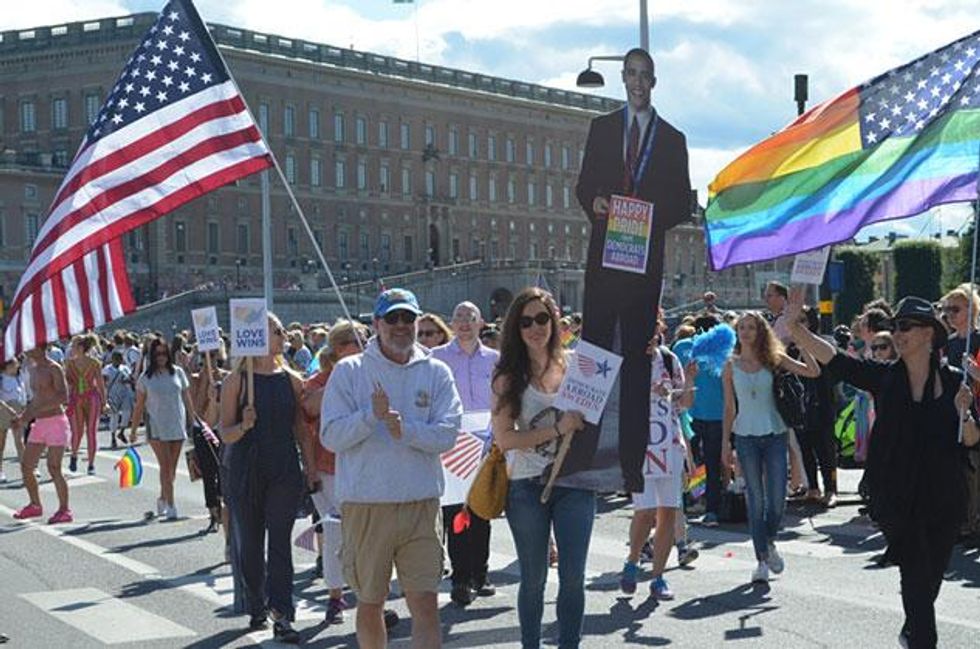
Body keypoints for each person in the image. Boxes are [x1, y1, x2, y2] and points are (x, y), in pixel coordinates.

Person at [787, 289, 979, 649]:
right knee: (915, 576)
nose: (899, 332)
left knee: (930, 579)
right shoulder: (886, 378)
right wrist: (797, 330)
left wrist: (964, 410)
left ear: (928, 334)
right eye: (896, 326)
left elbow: (970, 440)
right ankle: (922, 640)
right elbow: (838, 362)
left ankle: (913, 628)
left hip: (943, 497)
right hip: (898, 496)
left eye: (907, 326)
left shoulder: (955, 381)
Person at [575, 47, 692, 492]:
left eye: (645, 75)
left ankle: (631, 465)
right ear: (623, 78)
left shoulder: (672, 139)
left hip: (644, 263)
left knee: (638, 365)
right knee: (594, 354)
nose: (637, 82)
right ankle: (581, 450)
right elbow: (584, 185)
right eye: (631, 74)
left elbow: (683, 202)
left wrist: (645, 216)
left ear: (654, 81)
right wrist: (599, 203)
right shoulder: (602, 128)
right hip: (605, 257)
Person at [322, 288, 462, 649]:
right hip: (367, 504)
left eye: (408, 318)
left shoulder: (437, 371)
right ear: (376, 324)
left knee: (426, 603)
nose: (401, 326)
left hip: (421, 503)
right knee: (371, 603)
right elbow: (331, 436)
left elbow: (448, 434)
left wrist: (407, 431)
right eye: (393, 318)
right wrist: (371, 417)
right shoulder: (349, 371)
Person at [490, 287, 591, 649]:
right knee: (533, 578)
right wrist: (555, 429)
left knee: (573, 575)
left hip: (575, 483)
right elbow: (505, 440)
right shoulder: (507, 377)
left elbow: (617, 380)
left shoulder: (577, 367)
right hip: (527, 486)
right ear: (516, 329)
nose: (536, 327)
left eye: (543, 318)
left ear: (555, 321)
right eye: (526, 321)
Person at [220, 313, 307, 643]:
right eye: (275, 330)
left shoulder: (292, 379)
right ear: (255, 336)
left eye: (282, 329)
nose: (283, 334)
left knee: (281, 541)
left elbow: (300, 428)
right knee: (252, 543)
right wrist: (243, 425)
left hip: (284, 467)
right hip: (246, 468)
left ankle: (282, 611)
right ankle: (256, 602)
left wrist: (310, 467)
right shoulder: (236, 381)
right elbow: (225, 433)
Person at [721, 312, 820, 584]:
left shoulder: (773, 359)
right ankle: (761, 559)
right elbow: (729, 408)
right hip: (745, 436)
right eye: (741, 327)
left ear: (760, 331)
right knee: (755, 499)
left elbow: (813, 372)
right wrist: (724, 445)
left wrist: (804, 347)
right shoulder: (730, 365)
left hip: (775, 433)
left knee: (777, 497)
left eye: (751, 327)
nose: (746, 332)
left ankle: (771, 541)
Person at [300, 320, 368, 624]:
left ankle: (369, 597)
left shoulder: (371, 376)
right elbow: (309, 409)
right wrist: (340, 379)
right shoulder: (320, 381)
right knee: (336, 534)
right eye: (356, 341)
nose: (363, 346)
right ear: (339, 348)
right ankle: (335, 596)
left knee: (368, 536)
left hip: (366, 467)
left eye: (366, 339)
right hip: (329, 469)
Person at [432, 301, 500, 606]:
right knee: (455, 512)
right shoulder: (437, 358)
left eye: (470, 317)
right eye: (458, 317)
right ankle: (460, 577)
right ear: (452, 322)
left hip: (486, 444)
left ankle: (480, 573)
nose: (464, 323)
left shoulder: (495, 360)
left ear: (480, 323)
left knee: (482, 510)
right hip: (453, 445)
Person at [620, 338, 697, 600]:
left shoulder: (668, 359)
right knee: (645, 511)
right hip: (639, 447)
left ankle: (658, 577)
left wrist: (688, 379)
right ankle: (632, 560)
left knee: (668, 511)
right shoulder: (625, 358)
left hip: (670, 444)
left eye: (655, 324)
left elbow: (685, 404)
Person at [130, 336, 195, 521]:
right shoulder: (146, 378)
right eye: (157, 354)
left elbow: (186, 397)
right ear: (152, 356)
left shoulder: (178, 373)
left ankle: (162, 497)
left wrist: (194, 420)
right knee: (165, 467)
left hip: (177, 424)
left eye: (164, 353)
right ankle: (172, 505)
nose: (161, 357)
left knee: (171, 469)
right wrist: (134, 430)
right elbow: (139, 406)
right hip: (156, 426)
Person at [672, 314, 726, 526]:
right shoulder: (723, 351)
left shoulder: (682, 347)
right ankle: (709, 507)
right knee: (710, 464)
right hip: (714, 413)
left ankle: (690, 503)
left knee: (690, 462)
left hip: (687, 413)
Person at [12, 345, 73, 524]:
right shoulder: (32, 369)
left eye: (31, 346)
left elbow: (63, 397)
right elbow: (36, 399)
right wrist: (23, 418)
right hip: (39, 423)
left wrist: (37, 409)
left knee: (54, 468)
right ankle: (35, 505)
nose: (27, 349)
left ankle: (64, 510)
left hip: (56, 422)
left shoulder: (54, 368)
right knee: (26, 465)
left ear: (41, 348)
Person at [65, 334, 106, 475]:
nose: (72, 349)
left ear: (81, 348)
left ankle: (90, 463)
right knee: (78, 431)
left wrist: (104, 401)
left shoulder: (92, 363)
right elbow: (68, 383)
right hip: (82, 398)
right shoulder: (71, 363)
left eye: (74, 346)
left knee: (90, 431)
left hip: (85, 397)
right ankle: (75, 455)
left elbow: (100, 384)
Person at [0, 359, 27, 483]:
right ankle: (0, 471)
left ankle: (26, 471)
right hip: (4, 409)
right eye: (14, 364)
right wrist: (8, 408)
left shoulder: (19, 377)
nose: (17, 366)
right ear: (7, 366)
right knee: (1, 442)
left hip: (18, 409)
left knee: (20, 442)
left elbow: (24, 394)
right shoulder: (2, 377)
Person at [103, 351, 134, 450]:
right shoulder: (107, 369)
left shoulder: (125, 368)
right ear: (113, 359)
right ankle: (113, 437)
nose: (119, 361)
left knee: (127, 413)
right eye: (117, 359)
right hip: (113, 393)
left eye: (120, 359)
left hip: (124, 392)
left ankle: (122, 431)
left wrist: (127, 381)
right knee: (114, 416)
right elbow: (103, 380)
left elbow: (130, 379)